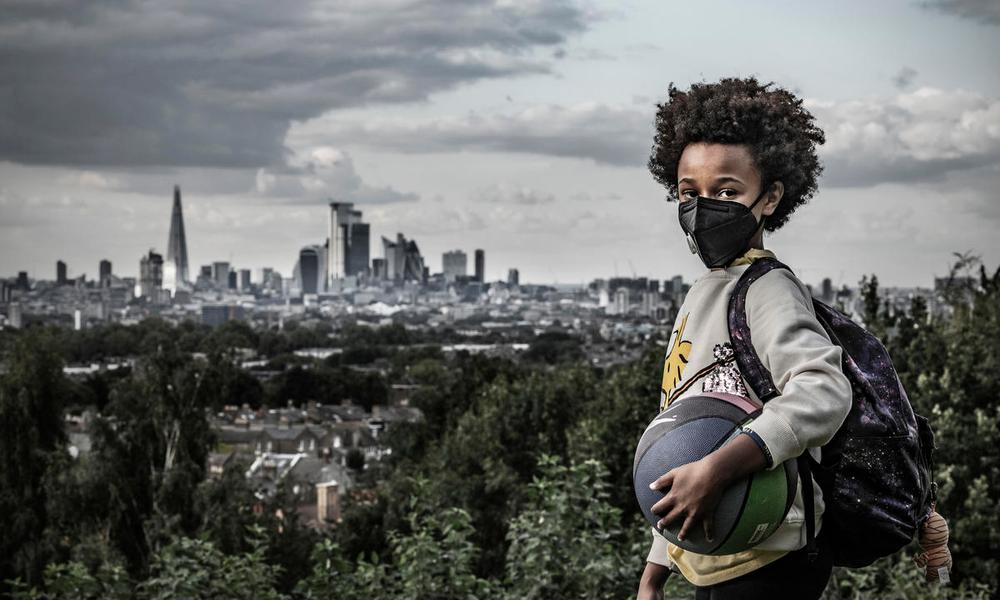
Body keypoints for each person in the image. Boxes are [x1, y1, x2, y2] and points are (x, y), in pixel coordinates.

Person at [636, 76, 853, 600]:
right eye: (691, 193)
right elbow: (683, 433)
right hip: (715, 553)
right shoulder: (704, 290)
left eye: (727, 192)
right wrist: (656, 567)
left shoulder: (768, 287)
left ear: (771, 197)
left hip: (769, 553)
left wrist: (720, 465)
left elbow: (824, 390)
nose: (704, 207)